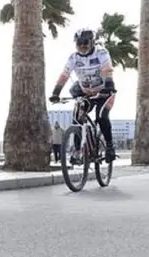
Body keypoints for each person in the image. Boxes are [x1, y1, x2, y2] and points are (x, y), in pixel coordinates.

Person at [49, 28, 117, 162]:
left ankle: (110, 147)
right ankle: (77, 150)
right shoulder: (74, 57)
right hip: (85, 92)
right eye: (78, 43)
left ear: (92, 42)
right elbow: (65, 75)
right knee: (77, 118)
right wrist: (56, 92)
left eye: (85, 42)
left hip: (104, 92)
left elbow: (107, 69)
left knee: (102, 117)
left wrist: (108, 85)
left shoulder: (101, 52)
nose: (82, 46)